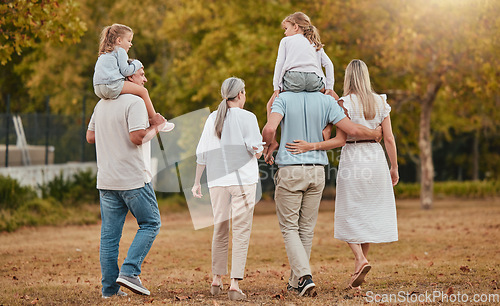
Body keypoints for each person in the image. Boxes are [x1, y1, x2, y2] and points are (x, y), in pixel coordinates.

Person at [285, 59, 399, 289]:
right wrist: (394, 166)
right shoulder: (380, 102)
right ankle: (359, 270)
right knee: (366, 214)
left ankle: (359, 258)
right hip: (376, 159)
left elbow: (339, 140)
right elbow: (388, 138)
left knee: (348, 212)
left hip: (354, 160)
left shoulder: (344, 103)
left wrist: (311, 145)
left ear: (348, 77)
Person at [262, 89, 382, 296]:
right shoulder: (326, 100)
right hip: (317, 171)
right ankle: (295, 282)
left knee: (290, 228)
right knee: (306, 230)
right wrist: (374, 134)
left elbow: (269, 128)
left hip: (290, 171)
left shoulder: (282, 98)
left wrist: (269, 144)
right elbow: (351, 129)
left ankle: (305, 277)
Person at [87, 61, 165, 298]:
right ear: (129, 78)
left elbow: (90, 137)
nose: (145, 80)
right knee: (151, 223)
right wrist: (157, 128)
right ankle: (130, 271)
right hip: (132, 178)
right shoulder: (135, 102)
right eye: (142, 75)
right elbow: (137, 138)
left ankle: (109, 290)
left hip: (107, 180)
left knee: (109, 236)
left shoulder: (101, 104)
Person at [191, 77, 263, 301]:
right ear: (240, 94)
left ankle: (216, 279)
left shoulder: (213, 117)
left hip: (216, 182)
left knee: (220, 229)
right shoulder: (248, 117)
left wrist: (196, 182)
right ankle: (234, 284)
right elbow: (256, 150)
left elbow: (201, 153)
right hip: (242, 181)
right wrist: (260, 150)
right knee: (240, 232)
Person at [267, 12, 340, 139]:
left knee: (270, 103)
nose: (284, 32)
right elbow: (329, 64)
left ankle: (271, 140)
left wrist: (276, 87)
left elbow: (279, 63)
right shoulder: (314, 42)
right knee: (337, 100)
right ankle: (328, 129)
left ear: (295, 27)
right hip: (314, 81)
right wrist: (330, 87)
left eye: (286, 28)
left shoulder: (286, 41)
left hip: (293, 80)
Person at [93, 23, 174, 132]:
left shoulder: (105, 54)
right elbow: (126, 71)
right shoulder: (120, 51)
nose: (131, 44)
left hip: (98, 89)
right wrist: (137, 63)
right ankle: (156, 120)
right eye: (129, 41)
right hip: (112, 85)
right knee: (143, 91)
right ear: (119, 41)